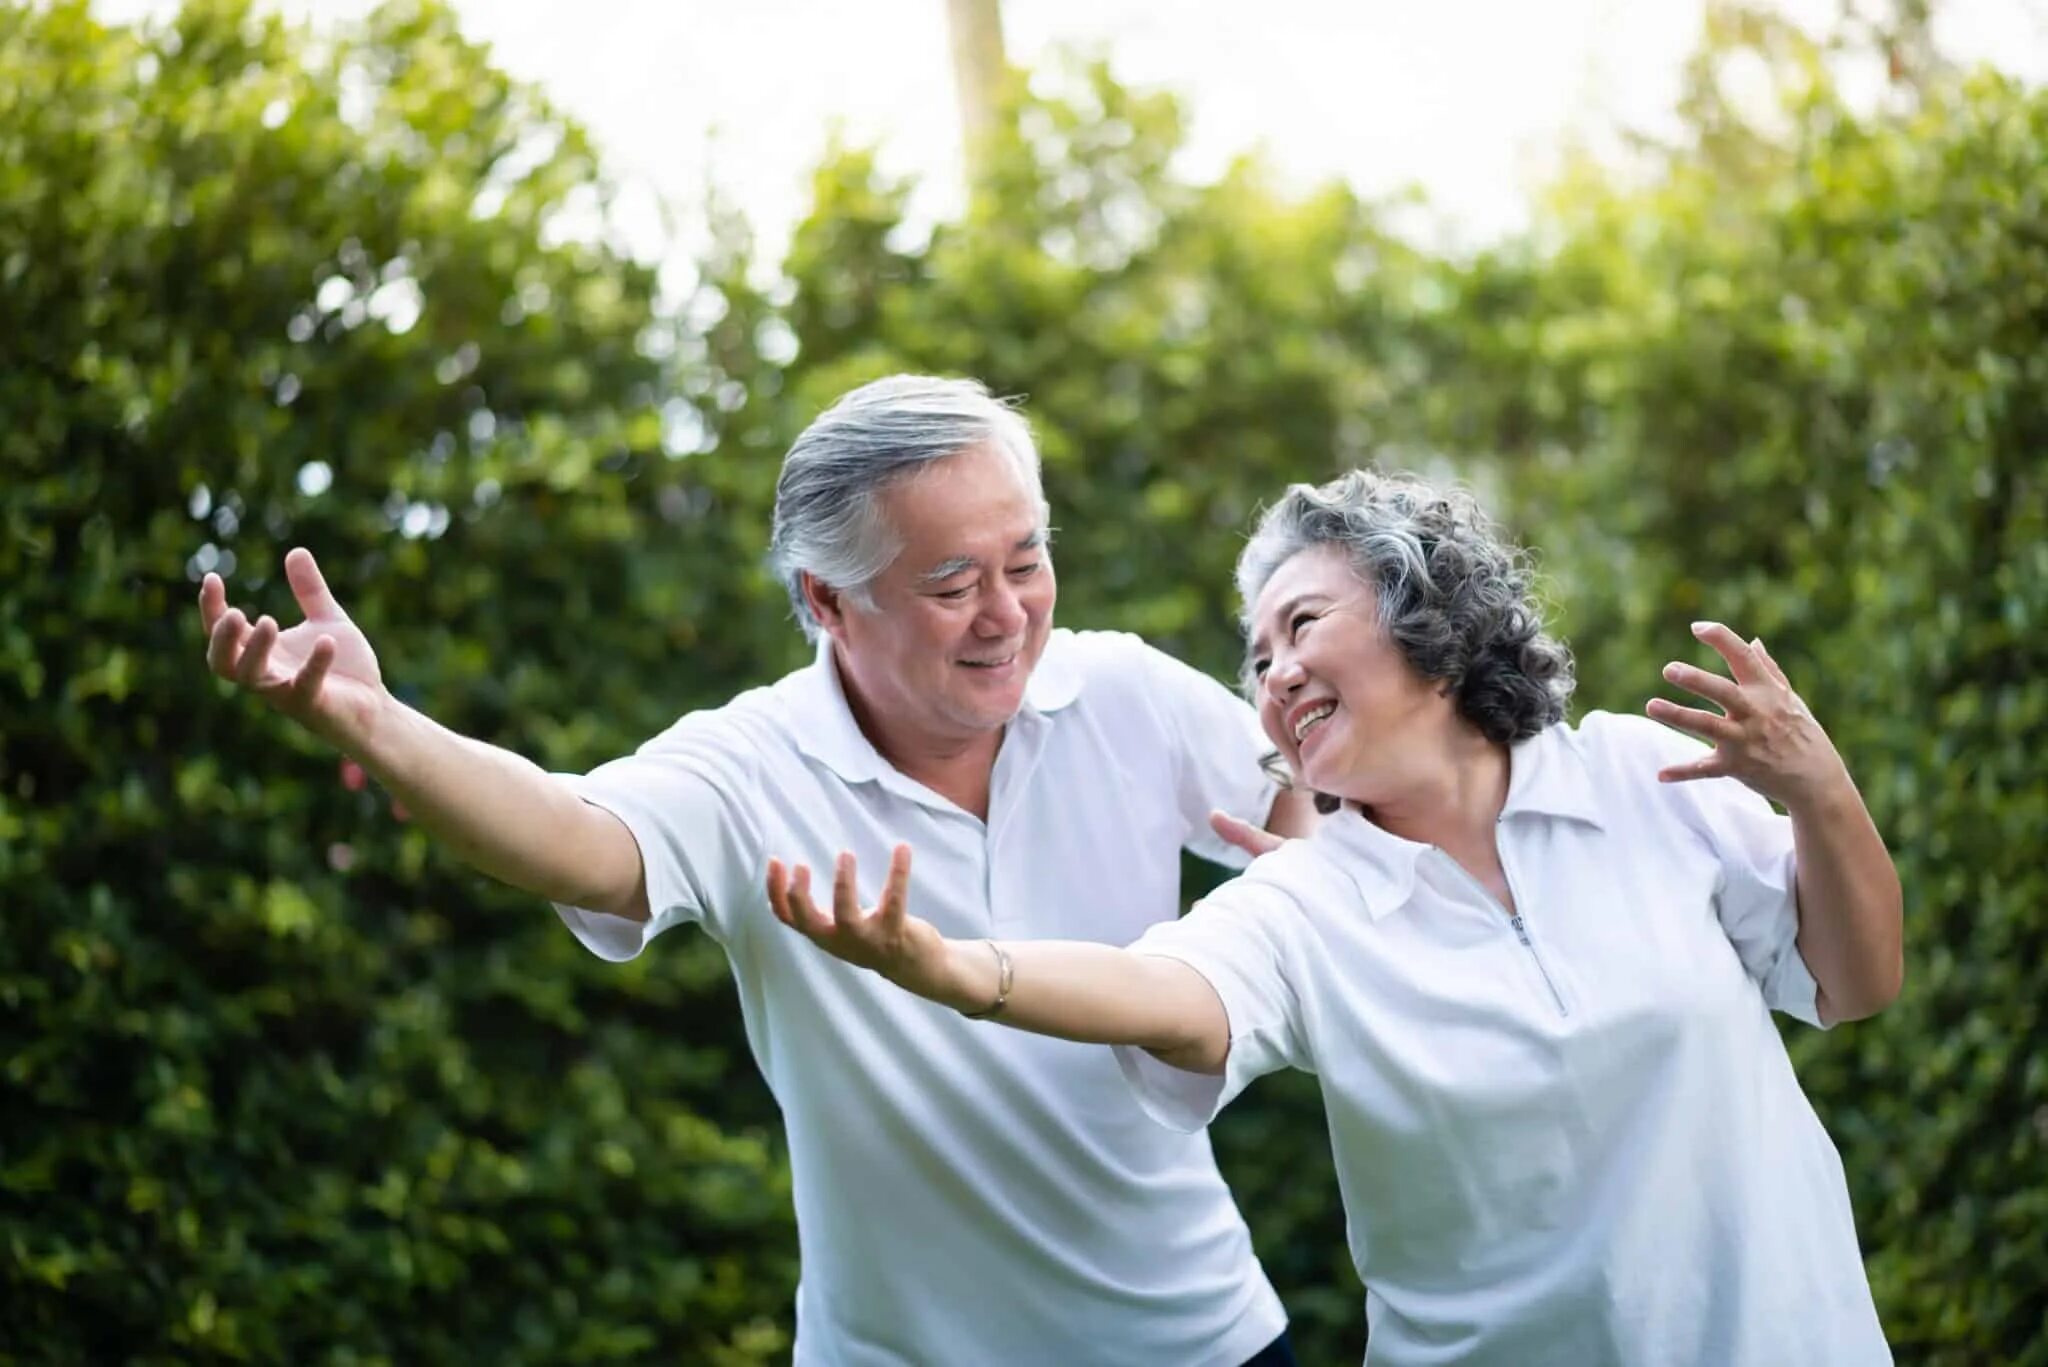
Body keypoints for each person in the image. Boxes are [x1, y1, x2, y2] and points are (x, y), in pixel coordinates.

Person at [199, 375, 1314, 1366]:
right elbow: (580, 839)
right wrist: (379, 723)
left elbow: (1298, 785)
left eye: (1027, 560)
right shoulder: (750, 767)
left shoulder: (1118, 692)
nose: (1007, 612)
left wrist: (1304, 867)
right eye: (950, 583)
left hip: (1199, 1334)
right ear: (827, 600)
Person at [767, 469, 1905, 1366]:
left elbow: (1853, 983)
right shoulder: (1308, 898)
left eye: (1300, 624)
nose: (1273, 674)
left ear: (1424, 616)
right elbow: (1172, 996)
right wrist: (969, 970)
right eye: (1256, 658)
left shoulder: (1638, 774)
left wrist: (1817, 786)